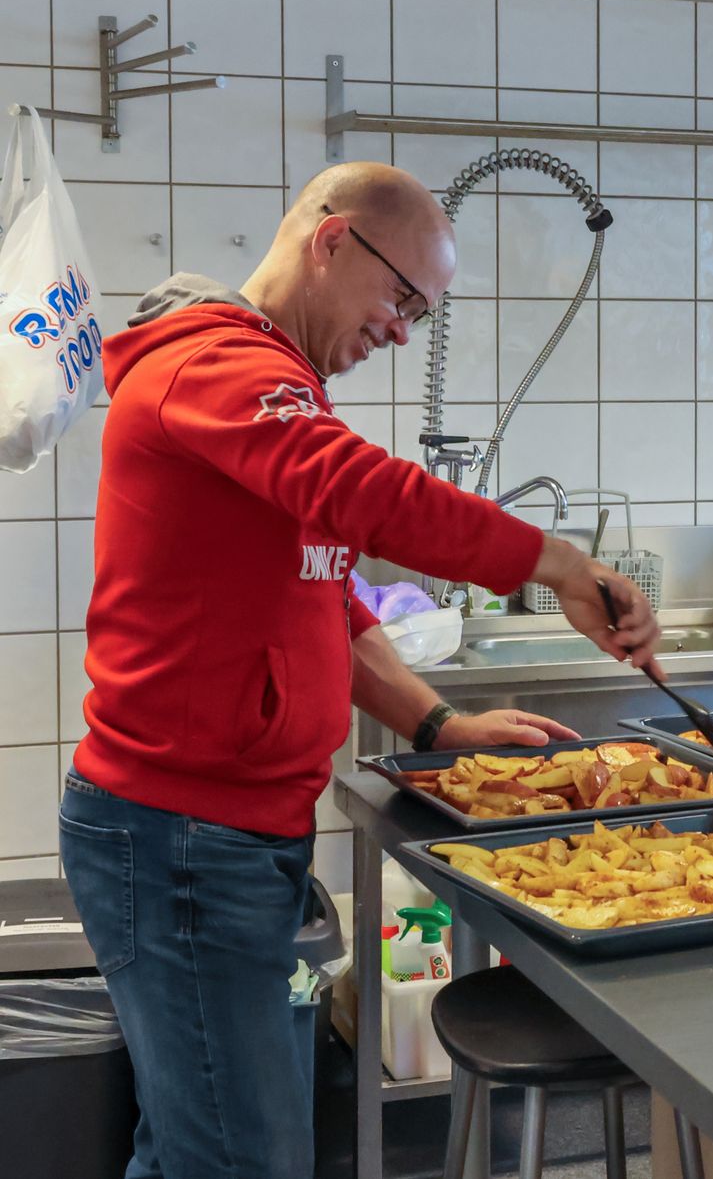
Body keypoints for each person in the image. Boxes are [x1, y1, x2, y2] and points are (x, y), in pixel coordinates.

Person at [58, 162, 663, 1179]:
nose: (402, 331)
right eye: (403, 298)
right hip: (180, 840)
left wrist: (438, 727)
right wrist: (559, 563)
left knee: (195, 1147)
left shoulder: (279, 388)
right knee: (239, 1160)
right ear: (334, 242)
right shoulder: (216, 366)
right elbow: (367, 495)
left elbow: (328, 605)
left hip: (228, 836)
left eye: (421, 313)